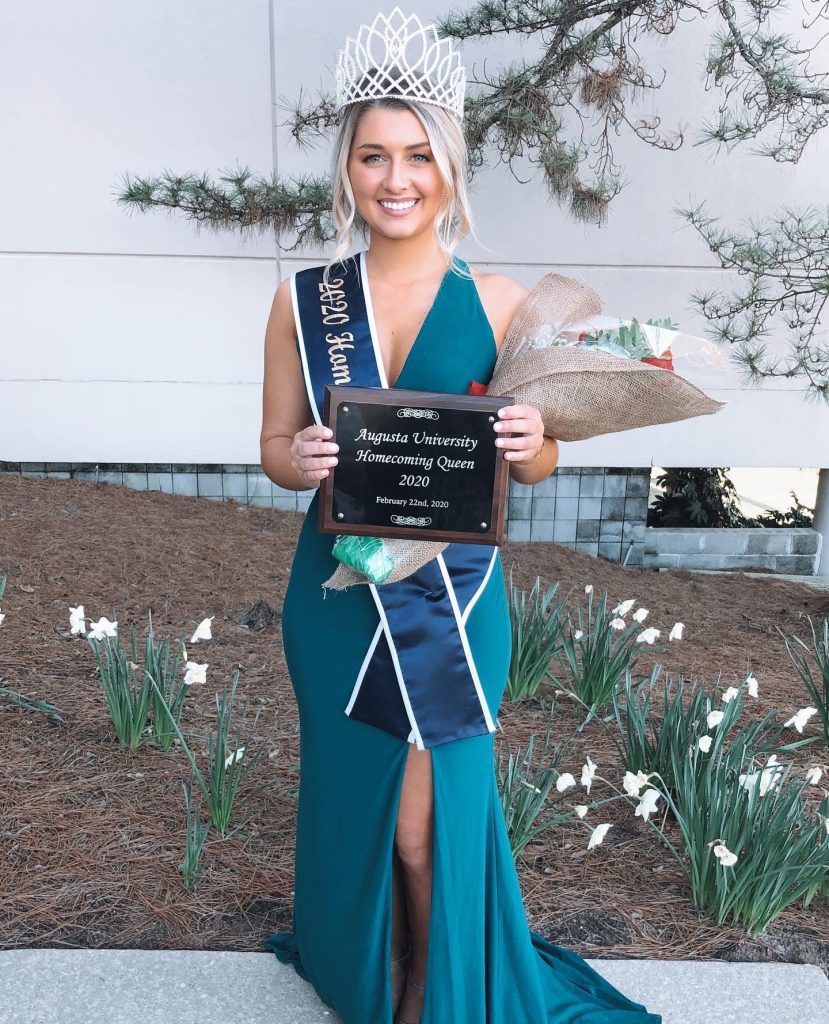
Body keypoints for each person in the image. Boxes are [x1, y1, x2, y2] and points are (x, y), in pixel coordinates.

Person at [259, 9, 663, 1024]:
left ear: (449, 166)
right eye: (373, 156)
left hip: (454, 601)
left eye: (418, 156)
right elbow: (272, 447)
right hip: (336, 599)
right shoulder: (304, 303)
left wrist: (536, 445)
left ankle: (430, 995)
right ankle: (381, 970)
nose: (397, 179)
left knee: (426, 827)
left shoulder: (498, 303)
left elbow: (538, 460)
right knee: (366, 812)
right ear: (345, 168)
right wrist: (296, 456)